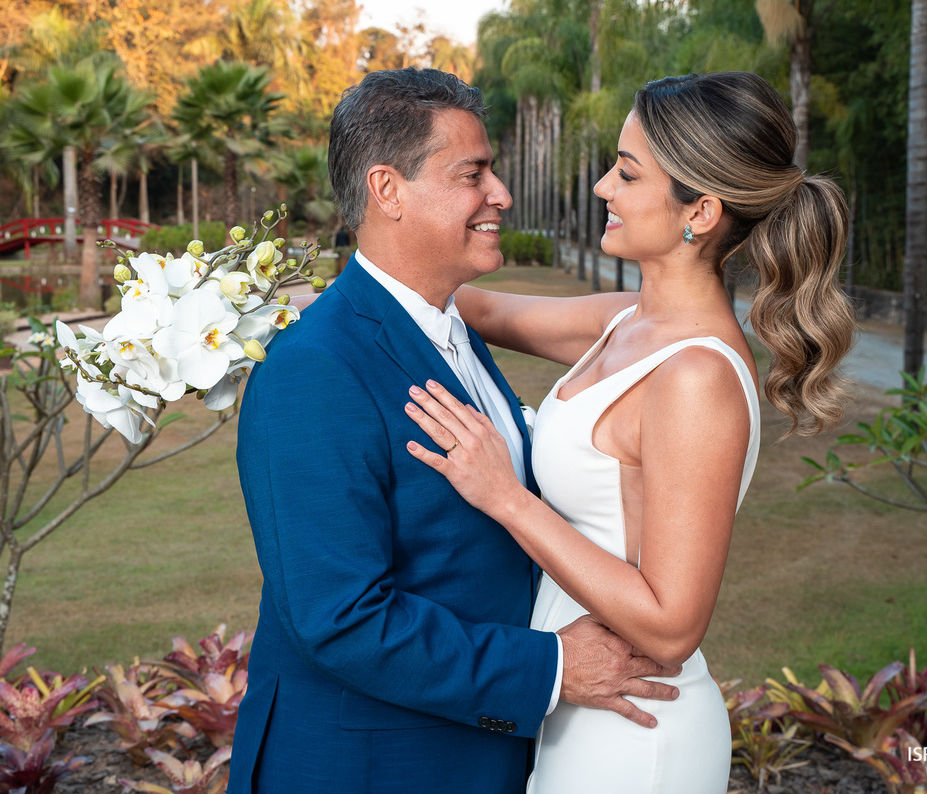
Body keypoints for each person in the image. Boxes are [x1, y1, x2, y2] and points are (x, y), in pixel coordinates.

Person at [227, 67, 679, 794]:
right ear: (387, 190)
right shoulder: (314, 369)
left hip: (469, 755)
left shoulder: (452, 327)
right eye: (473, 173)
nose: (499, 193)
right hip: (365, 771)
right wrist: (553, 668)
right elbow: (339, 617)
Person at [405, 71, 856, 792]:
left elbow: (673, 626)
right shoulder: (625, 321)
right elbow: (468, 307)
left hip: (637, 736)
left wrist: (506, 496)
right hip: (578, 701)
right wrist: (274, 290)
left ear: (700, 211)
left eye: (627, 172)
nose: (602, 188)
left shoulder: (694, 377)